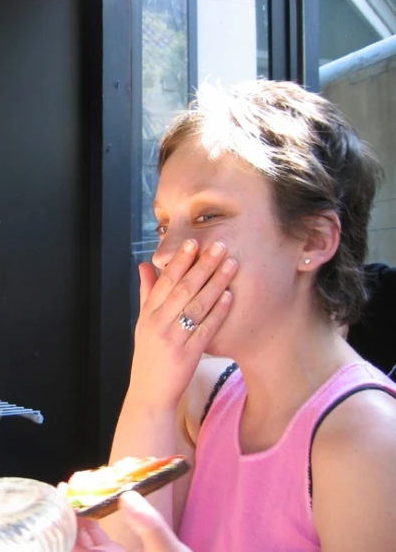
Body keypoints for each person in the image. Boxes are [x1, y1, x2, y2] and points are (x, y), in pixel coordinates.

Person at [80, 80, 396, 552]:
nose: (165, 254)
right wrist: (149, 392)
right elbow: (127, 542)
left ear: (312, 240)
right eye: (165, 223)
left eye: (207, 215)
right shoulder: (200, 399)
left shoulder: (367, 441)